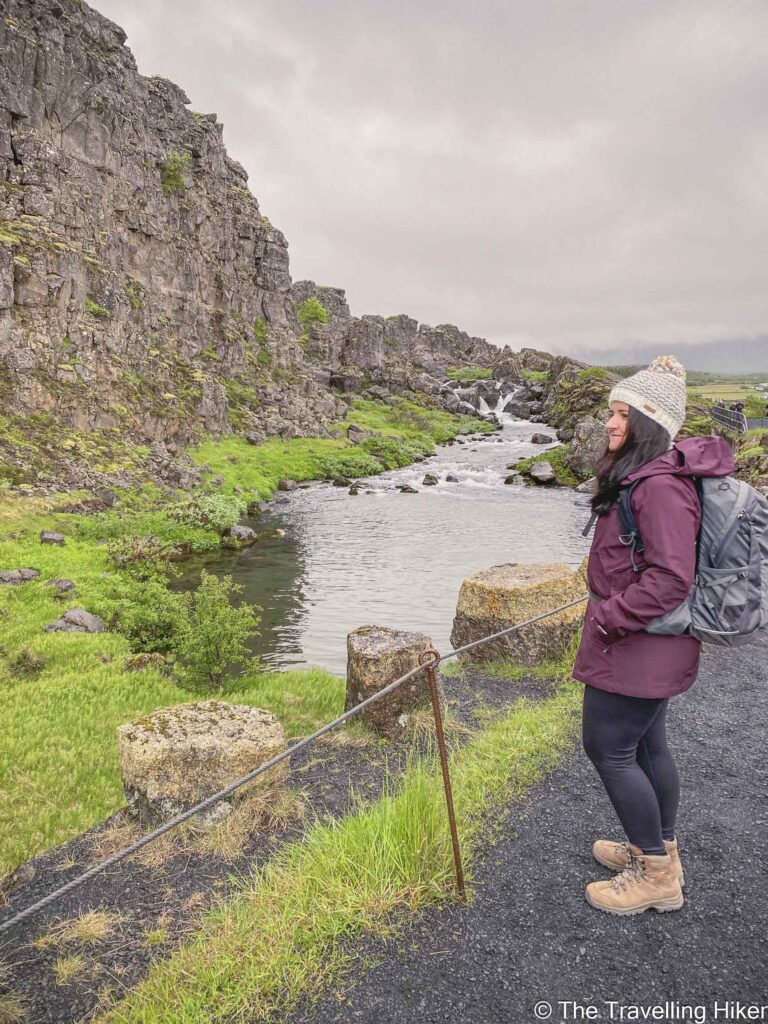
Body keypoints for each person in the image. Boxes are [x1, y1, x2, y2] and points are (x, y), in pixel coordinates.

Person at [571, 354, 734, 916]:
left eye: (622, 415)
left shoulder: (660, 487)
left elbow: (669, 578)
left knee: (609, 748)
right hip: (649, 645)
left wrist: (605, 617)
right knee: (645, 744)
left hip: (636, 643)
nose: (611, 424)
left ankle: (656, 876)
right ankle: (658, 848)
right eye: (611, 413)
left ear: (650, 425)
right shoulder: (645, 475)